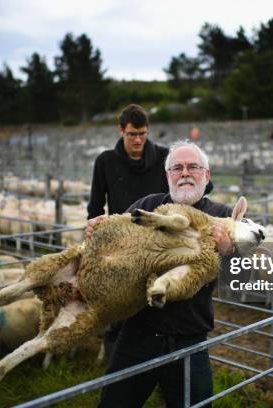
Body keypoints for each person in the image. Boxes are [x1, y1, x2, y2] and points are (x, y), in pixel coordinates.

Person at [86, 141, 234, 408]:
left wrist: (227, 248)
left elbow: (245, 271)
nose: (185, 173)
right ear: (167, 176)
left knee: (196, 405)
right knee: (114, 403)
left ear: (206, 175)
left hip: (189, 338)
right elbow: (115, 236)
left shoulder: (221, 216)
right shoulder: (149, 205)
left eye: (193, 167)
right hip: (139, 332)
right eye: (177, 168)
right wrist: (96, 229)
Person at [87, 104, 170, 361]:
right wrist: (93, 229)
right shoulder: (106, 161)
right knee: (119, 305)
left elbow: (189, 190)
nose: (138, 140)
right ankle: (117, 364)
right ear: (121, 130)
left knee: (156, 303)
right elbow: (95, 205)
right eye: (132, 134)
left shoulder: (164, 158)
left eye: (142, 134)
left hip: (156, 243)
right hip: (120, 244)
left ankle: (156, 361)